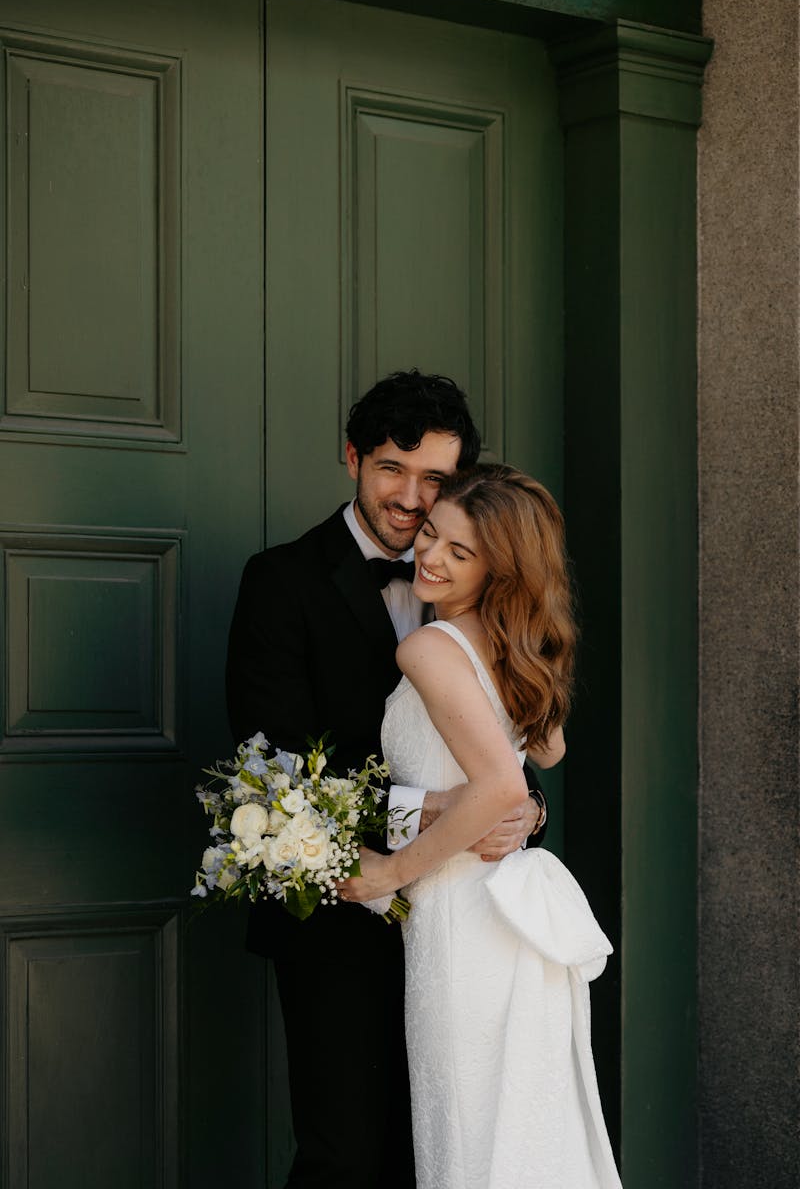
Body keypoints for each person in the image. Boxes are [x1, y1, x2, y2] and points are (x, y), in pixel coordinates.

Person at [225, 371, 547, 1189]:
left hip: (463, 920)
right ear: (351, 459)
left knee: (450, 1145)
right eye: (390, 469)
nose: (411, 498)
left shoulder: (482, 584)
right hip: (336, 914)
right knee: (347, 1155)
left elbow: (506, 746)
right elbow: (275, 766)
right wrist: (433, 813)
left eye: (434, 479)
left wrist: (523, 811)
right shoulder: (281, 581)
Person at [341, 464, 622, 1189]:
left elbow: (500, 783)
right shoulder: (509, 649)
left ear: (501, 569)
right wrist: (513, 806)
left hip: (463, 921)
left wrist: (389, 873)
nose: (430, 557)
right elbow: (543, 753)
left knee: (464, 1136)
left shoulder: (429, 649)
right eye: (431, 534)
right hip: (514, 920)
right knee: (524, 1137)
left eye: (459, 553)